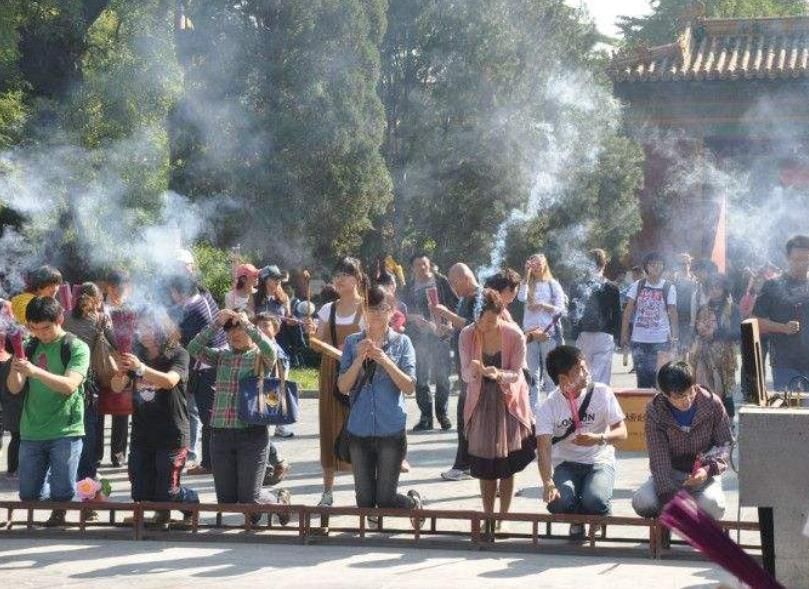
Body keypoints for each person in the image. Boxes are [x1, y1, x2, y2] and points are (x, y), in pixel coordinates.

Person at [187, 309, 290, 522]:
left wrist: (247, 323)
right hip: (221, 433)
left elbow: (270, 349)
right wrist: (217, 323)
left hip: (252, 434)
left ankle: (279, 502)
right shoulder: (222, 356)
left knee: (249, 498)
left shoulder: (260, 356)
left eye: (239, 329)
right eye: (230, 330)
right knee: (226, 500)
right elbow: (193, 348)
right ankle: (255, 512)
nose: (234, 334)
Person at [337, 286, 423, 526]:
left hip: (390, 428)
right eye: (370, 308)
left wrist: (384, 360)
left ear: (391, 311)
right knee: (364, 501)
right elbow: (343, 387)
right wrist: (358, 360)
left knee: (385, 499)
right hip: (359, 429)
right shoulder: (352, 342)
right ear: (363, 311)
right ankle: (373, 517)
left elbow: (409, 386)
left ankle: (412, 503)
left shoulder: (402, 343)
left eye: (381, 308)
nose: (375, 314)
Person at [6, 297, 90, 527]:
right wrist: (16, 368)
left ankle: (59, 514)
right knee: (28, 493)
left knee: (62, 491)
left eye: (46, 328)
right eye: (34, 328)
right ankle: (46, 508)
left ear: (59, 319)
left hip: (66, 429)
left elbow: (70, 385)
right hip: (32, 428)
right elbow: (14, 387)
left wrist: (34, 371)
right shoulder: (29, 346)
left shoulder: (76, 347)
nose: (41, 334)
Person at [111, 308, 199, 526]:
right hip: (142, 431)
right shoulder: (136, 353)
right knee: (140, 487)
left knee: (168, 490)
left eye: (150, 327)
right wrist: (121, 372)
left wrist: (141, 368)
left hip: (171, 432)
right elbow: (116, 387)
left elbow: (169, 381)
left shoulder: (179, 353)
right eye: (141, 327)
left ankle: (191, 503)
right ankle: (159, 512)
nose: (144, 332)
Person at [459, 289, 535, 533]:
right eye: (484, 321)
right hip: (480, 402)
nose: (488, 326)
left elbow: (518, 373)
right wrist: (474, 371)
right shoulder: (467, 334)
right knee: (485, 466)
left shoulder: (514, 334)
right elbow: (464, 374)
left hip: (508, 403)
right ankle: (488, 515)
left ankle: (503, 517)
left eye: (494, 320)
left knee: (506, 465)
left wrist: (498, 373)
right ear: (476, 316)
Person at [536, 345, 627, 538]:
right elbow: (543, 449)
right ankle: (577, 518)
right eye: (579, 370)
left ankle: (598, 510)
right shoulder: (549, 406)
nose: (587, 373)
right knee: (558, 501)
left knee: (594, 500)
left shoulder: (602, 392)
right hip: (566, 464)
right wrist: (548, 482)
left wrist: (600, 438)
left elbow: (622, 433)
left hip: (599, 462)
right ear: (563, 379)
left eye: (585, 367)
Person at [632, 361, 731, 520]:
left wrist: (707, 469)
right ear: (665, 395)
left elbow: (725, 444)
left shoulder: (712, 403)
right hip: (671, 473)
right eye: (679, 397)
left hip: (704, 474)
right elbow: (658, 457)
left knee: (713, 506)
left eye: (690, 392)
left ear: (695, 385)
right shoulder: (655, 410)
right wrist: (668, 495)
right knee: (643, 502)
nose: (687, 400)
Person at [309, 257, 366, 508]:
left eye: (346, 274)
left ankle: (364, 492)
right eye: (337, 275)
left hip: (360, 373)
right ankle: (327, 492)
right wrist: (312, 335)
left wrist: (352, 351)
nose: (340, 279)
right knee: (330, 428)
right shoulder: (327, 309)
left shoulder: (367, 308)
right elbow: (317, 343)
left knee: (360, 429)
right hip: (331, 372)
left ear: (358, 278)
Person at [167, 272, 224, 475]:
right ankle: (211, 461)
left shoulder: (194, 311)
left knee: (209, 418)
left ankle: (209, 463)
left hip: (207, 369)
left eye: (172, 291)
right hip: (212, 365)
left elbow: (179, 338)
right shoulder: (203, 297)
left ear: (179, 291)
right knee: (210, 417)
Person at [63, 283, 117, 492]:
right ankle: (87, 476)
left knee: (66, 428)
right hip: (88, 381)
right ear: (97, 300)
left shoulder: (64, 317)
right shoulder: (101, 319)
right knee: (88, 428)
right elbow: (115, 343)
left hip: (63, 377)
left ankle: (69, 474)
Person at [431, 262, 481, 481]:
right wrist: (448, 329)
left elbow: (476, 326)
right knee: (465, 416)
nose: (453, 287)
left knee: (466, 416)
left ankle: (463, 465)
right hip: (465, 366)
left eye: (454, 282)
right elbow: (463, 330)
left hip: (475, 367)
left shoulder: (480, 298)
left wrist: (447, 314)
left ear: (465, 279)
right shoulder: (464, 299)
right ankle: (466, 464)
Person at [402, 253, 457, 432]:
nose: (422, 267)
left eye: (424, 264)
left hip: (441, 336)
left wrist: (449, 323)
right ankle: (426, 417)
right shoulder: (409, 287)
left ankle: (443, 415)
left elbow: (454, 304)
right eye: (418, 265)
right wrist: (414, 318)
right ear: (412, 268)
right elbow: (401, 313)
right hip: (419, 338)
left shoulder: (441, 281)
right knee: (421, 378)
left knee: (443, 377)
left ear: (430, 264)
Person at [752, 235, 809, 390]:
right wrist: (783, 328)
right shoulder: (773, 285)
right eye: (797, 260)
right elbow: (755, 320)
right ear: (788, 258)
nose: (802, 264)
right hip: (785, 363)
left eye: (806, 259)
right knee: (790, 405)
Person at [620, 252, 679, 388]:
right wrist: (624, 335)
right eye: (652, 264)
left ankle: (659, 402)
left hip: (661, 341)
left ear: (663, 266)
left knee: (661, 381)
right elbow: (628, 311)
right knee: (642, 381)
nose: (656, 266)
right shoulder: (638, 285)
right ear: (646, 267)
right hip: (639, 340)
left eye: (659, 264)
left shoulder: (668, 287)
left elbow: (673, 313)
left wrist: (675, 337)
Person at [517, 253, 567, 413]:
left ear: (545, 265)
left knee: (549, 374)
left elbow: (562, 310)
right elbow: (520, 297)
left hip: (548, 333)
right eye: (533, 264)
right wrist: (526, 274)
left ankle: (553, 409)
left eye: (539, 264)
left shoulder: (553, 284)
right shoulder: (526, 284)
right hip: (530, 334)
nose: (536, 267)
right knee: (531, 374)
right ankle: (533, 411)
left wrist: (543, 306)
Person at [690, 274, 740, 418]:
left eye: (718, 287)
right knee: (704, 392)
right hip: (704, 356)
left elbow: (737, 332)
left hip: (725, 359)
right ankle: (707, 424)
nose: (714, 290)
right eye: (711, 287)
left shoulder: (733, 309)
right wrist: (700, 331)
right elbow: (695, 331)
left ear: (724, 289)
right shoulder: (702, 309)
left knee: (726, 394)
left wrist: (715, 334)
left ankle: (728, 426)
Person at [568, 249, 621, 386]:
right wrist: (617, 336)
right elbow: (616, 314)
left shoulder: (576, 285)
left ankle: (585, 399)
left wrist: (575, 332)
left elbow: (572, 311)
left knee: (583, 374)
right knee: (601, 378)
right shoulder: (611, 287)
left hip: (583, 334)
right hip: (605, 335)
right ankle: (599, 399)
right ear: (604, 264)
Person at [98, 269, 134, 468]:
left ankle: (118, 454)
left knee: (121, 407)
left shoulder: (131, 307)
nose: (118, 292)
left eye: (122, 288)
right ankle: (96, 454)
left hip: (123, 360)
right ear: (108, 287)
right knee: (99, 407)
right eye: (115, 287)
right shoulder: (98, 306)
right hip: (102, 362)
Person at [0, 330, 21, 479]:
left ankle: (12, 469)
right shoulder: (12, 364)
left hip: (9, 405)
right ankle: (13, 469)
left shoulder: (8, 364)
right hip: (15, 406)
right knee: (18, 436)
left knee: (16, 436)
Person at [672, 253, 698, 357]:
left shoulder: (695, 280)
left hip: (691, 318)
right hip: (675, 318)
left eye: (687, 263)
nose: (684, 266)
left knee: (689, 348)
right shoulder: (673, 279)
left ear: (690, 264)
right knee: (677, 349)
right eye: (681, 263)